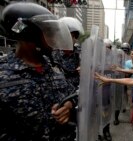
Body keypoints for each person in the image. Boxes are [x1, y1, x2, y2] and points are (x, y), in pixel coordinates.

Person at [0, 2, 76, 141]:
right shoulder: (3, 75)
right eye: (49, 33)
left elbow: (73, 95)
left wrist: (69, 106)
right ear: (30, 35)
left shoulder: (55, 68)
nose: (54, 38)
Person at [53, 17, 84, 90]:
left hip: (78, 93)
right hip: (61, 94)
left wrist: (85, 69)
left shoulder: (81, 53)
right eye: (70, 35)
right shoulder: (53, 55)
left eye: (75, 36)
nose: (73, 39)